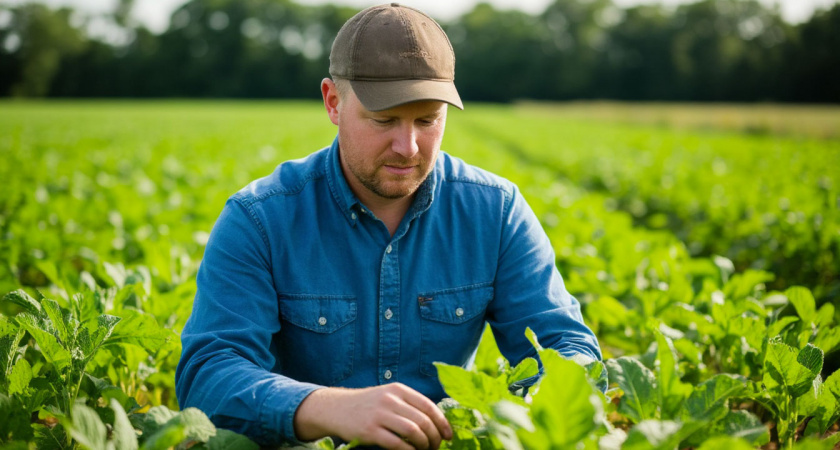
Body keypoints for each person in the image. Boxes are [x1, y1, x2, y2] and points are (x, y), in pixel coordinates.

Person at [175, 3, 602, 449]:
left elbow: (567, 349)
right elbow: (209, 374)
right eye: (384, 120)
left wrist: (520, 410)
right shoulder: (260, 218)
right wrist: (325, 408)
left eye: (428, 120)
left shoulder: (496, 211)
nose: (408, 146)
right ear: (333, 102)